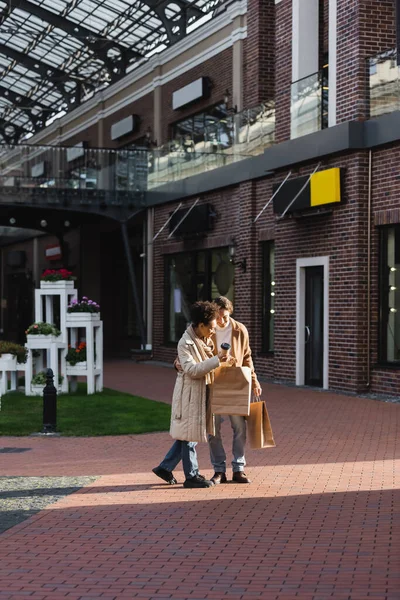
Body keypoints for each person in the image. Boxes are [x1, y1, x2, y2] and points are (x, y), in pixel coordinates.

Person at [153, 301, 235, 489]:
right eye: (211, 327)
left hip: (200, 393)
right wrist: (216, 360)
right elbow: (192, 370)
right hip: (190, 396)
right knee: (189, 437)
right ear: (200, 325)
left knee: (186, 435)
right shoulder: (186, 342)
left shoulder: (203, 339)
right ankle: (191, 476)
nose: (214, 331)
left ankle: (165, 468)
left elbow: (205, 365)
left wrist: (223, 361)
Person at [208, 296, 262, 484]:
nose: (222, 320)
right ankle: (219, 470)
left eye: (225, 316)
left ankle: (238, 468)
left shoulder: (240, 329)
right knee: (213, 428)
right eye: (219, 316)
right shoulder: (208, 329)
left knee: (239, 426)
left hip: (236, 382)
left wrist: (254, 381)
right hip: (213, 382)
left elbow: (247, 357)